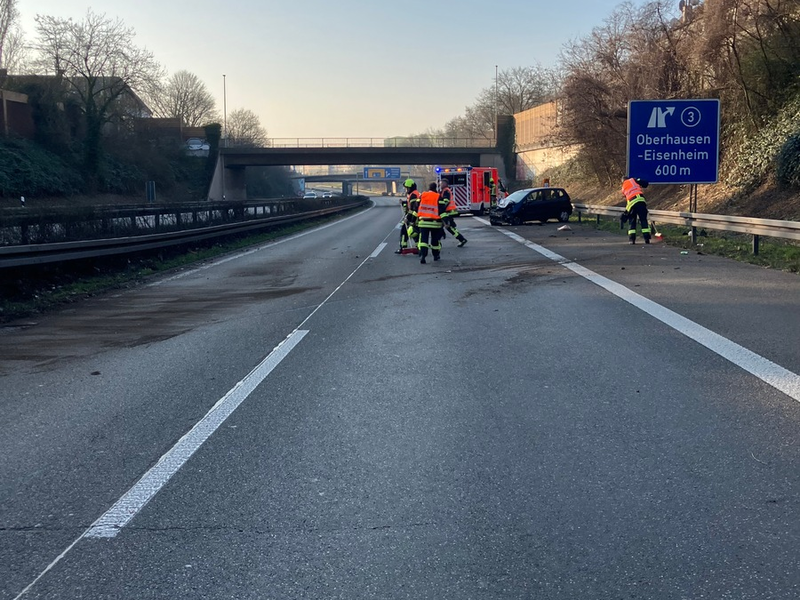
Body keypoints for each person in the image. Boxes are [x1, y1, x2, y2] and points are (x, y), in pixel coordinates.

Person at [416, 182, 445, 264]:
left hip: (423, 222)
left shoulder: (423, 195)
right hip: (435, 223)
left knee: (423, 240)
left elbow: (416, 206)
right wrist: (446, 221)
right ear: (435, 188)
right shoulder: (438, 196)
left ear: (429, 188)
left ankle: (423, 256)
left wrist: (413, 219)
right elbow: (442, 210)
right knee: (435, 241)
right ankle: (435, 256)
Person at [621, 176, 651, 244]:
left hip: (632, 205)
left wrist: (626, 212)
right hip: (641, 201)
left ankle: (632, 240)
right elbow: (645, 183)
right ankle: (647, 239)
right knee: (643, 220)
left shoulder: (623, 188)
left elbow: (629, 200)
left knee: (632, 221)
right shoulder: (632, 180)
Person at [439, 178, 467, 247]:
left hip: (448, 212)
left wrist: (441, 209)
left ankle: (461, 239)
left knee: (449, 227)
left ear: (445, 184)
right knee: (442, 226)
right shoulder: (443, 191)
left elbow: (446, 201)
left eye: (441, 183)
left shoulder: (446, 191)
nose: (440, 184)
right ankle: (440, 238)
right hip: (447, 211)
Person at [396, 178, 420, 254]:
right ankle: (418, 248)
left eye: (407, 188)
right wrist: (403, 202)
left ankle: (403, 247)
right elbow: (409, 204)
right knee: (414, 233)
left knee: (404, 231)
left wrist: (408, 218)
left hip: (413, 217)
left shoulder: (413, 195)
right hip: (416, 217)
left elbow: (413, 209)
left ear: (410, 187)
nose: (406, 189)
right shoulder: (414, 194)